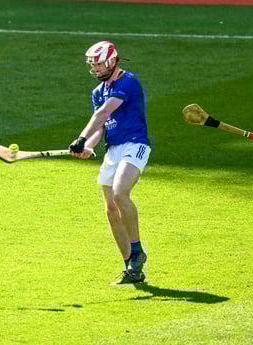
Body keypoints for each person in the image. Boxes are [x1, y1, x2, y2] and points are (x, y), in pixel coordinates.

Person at [69, 41, 151, 284]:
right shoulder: (98, 91)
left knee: (119, 194)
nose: (95, 69)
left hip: (135, 144)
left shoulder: (128, 81)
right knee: (110, 209)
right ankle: (131, 267)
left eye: (99, 63)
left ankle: (137, 251)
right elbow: (102, 127)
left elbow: (103, 113)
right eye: (92, 65)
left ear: (113, 61)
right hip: (113, 150)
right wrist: (88, 145)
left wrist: (81, 137)